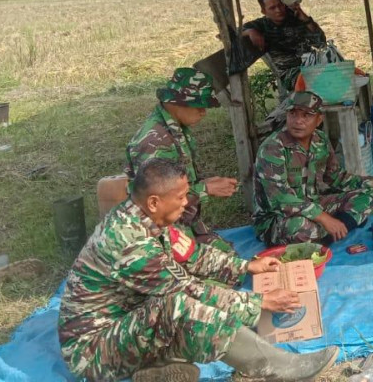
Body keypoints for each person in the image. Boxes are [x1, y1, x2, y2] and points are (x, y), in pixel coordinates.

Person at [59, 158, 338, 382]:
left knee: (210, 292)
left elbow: (194, 256)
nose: (185, 202)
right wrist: (259, 301)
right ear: (154, 201)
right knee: (183, 306)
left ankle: (160, 369)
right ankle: (278, 367)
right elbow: (186, 290)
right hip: (94, 351)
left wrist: (246, 267)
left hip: (126, 322)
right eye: (180, 197)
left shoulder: (148, 218)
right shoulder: (127, 242)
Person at [252, 90, 373, 246]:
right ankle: (329, 233)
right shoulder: (272, 149)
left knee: (370, 195)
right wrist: (325, 218)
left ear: (318, 120)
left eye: (306, 115)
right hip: (278, 217)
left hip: (315, 204)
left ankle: (330, 232)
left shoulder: (320, 140)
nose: (298, 121)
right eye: (293, 114)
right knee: (300, 228)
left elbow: (336, 177)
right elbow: (281, 199)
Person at [126, 67, 237, 250]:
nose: (203, 112)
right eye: (199, 106)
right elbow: (157, 203)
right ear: (178, 102)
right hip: (156, 236)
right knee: (221, 272)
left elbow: (177, 180)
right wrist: (206, 189)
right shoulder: (154, 143)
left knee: (229, 258)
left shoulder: (175, 128)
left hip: (181, 224)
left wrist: (205, 182)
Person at [242, 0, 327, 89]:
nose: (278, 10)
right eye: (272, 8)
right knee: (322, 80)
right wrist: (250, 31)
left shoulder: (295, 18)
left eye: (280, 5)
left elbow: (321, 43)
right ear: (264, 11)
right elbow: (229, 34)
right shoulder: (262, 25)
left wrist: (306, 19)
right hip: (290, 74)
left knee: (339, 71)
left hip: (313, 65)